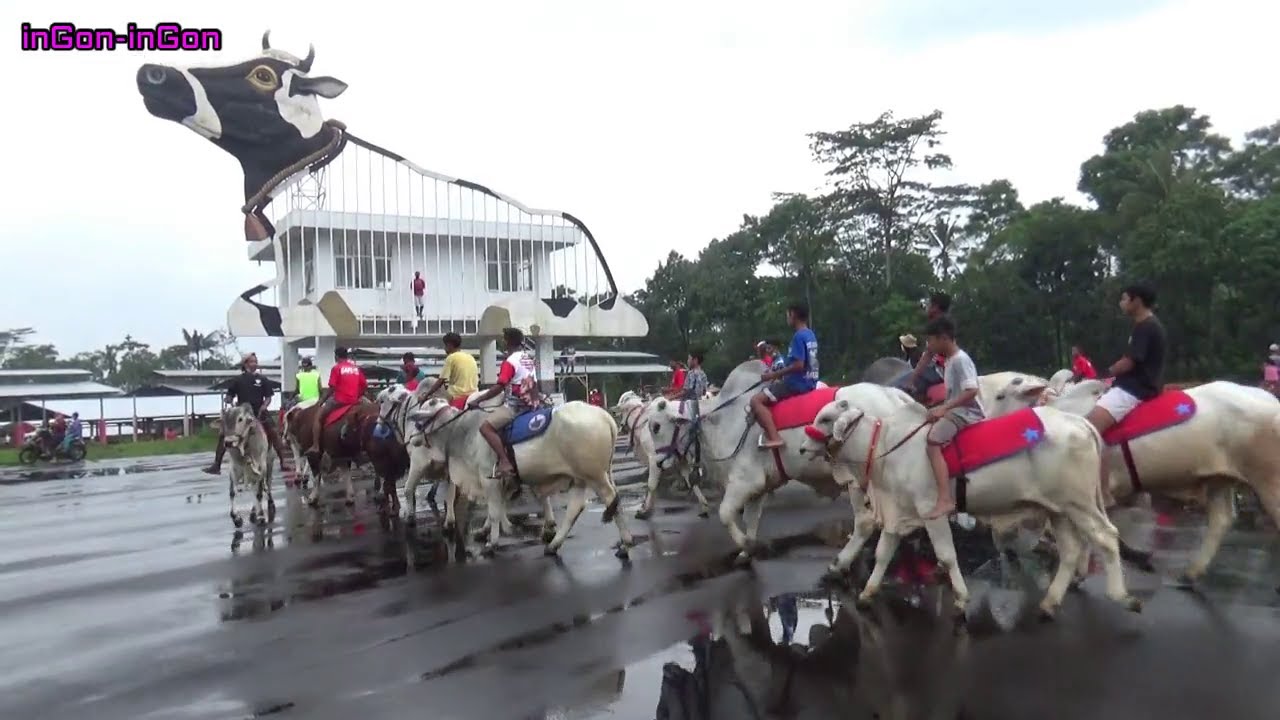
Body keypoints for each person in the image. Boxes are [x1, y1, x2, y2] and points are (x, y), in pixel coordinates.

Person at [921, 315, 985, 520]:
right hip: (955, 410)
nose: (929, 346)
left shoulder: (960, 360)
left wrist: (944, 409)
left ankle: (945, 499)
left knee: (932, 441)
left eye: (931, 341)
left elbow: (971, 390)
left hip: (966, 414)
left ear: (943, 338)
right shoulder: (949, 361)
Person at [1085, 284, 1167, 436]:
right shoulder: (1145, 325)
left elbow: (1129, 362)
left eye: (1124, 299)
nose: (1121, 303)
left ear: (1136, 301)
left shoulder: (1146, 327)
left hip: (1134, 390)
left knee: (1088, 428)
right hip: (1135, 386)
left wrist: (1104, 374)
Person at [469, 327, 539, 483]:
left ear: (507, 342)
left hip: (516, 406)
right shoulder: (527, 358)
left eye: (504, 339)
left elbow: (500, 386)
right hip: (533, 403)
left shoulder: (510, 361)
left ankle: (504, 461)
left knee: (485, 427)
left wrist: (478, 400)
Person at [203, 353, 290, 475]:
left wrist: (264, 406)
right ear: (245, 364)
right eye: (252, 361)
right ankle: (216, 464)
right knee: (224, 434)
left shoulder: (263, 379)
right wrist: (228, 399)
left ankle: (283, 461)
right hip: (241, 414)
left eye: (256, 361)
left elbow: (269, 397)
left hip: (259, 411)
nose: (254, 363)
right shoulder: (238, 380)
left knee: (273, 433)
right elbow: (230, 395)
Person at [751, 303, 819, 448]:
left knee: (756, 400)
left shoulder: (798, 336)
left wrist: (772, 375)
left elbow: (799, 365)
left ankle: (775, 437)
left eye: (787, 314)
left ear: (793, 315)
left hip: (796, 384)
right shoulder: (810, 334)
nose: (787, 318)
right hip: (811, 381)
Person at [305, 347, 369, 458]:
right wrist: (357, 396)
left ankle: (315, 446)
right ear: (347, 356)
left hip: (339, 401)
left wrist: (321, 401)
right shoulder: (356, 369)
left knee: (318, 417)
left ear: (336, 356)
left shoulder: (336, 368)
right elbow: (364, 386)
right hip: (354, 401)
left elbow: (331, 389)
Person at [904, 292, 951, 399]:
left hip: (939, 371)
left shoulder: (938, 326)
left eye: (929, 305)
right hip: (942, 369)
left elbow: (928, 355)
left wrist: (911, 381)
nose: (927, 308)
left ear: (935, 308)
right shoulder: (947, 324)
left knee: (898, 385)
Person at [421, 332, 480, 402]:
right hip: (474, 394)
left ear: (449, 345)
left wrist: (426, 396)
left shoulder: (451, 358)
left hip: (456, 394)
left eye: (445, 345)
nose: (444, 348)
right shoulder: (470, 357)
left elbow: (440, 381)